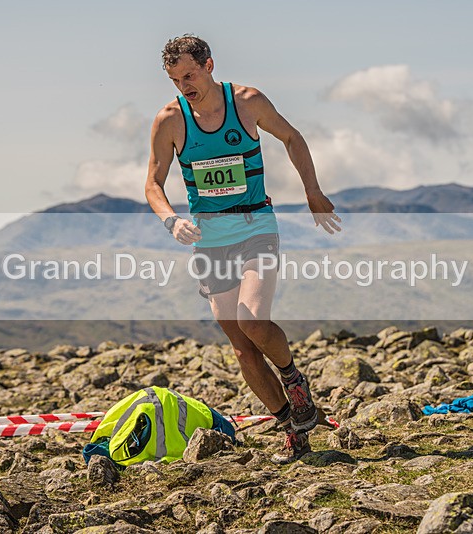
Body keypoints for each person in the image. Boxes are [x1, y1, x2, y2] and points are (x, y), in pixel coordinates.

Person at [144, 34, 342, 463]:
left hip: (256, 225)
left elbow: (292, 138)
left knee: (252, 319)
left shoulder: (247, 101)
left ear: (209, 65)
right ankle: (292, 428)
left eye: (190, 75)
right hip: (211, 239)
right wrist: (171, 218)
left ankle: (293, 379)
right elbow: (153, 183)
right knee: (240, 346)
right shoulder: (169, 120)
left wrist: (312, 191)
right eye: (176, 80)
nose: (185, 86)